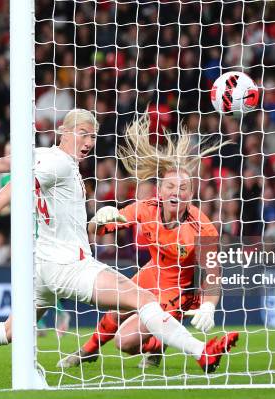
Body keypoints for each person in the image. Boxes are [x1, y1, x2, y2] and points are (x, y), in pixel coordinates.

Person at [0, 109, 237, 383]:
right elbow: (17, 184)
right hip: (70, 265)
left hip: (42, 267)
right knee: (144, 299)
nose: (89, 143)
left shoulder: (42, 156)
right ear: (63, 132)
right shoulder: (60, 164)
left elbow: (0, 163)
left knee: (11, 330)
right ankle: (199, 352)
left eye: (93, 137)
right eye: (82, 134)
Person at [58, 114, 225, 369]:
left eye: (182, 189)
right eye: (170, 186)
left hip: (177, 290)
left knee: (123, 343)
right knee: (116, 306)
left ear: (191, 194)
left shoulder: (202, 228)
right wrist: (100, 219)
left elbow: (213, 274)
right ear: (160, 190)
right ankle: (89, 350)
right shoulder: (145, 209)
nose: (175, 193)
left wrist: (209, 306)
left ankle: (157, 345)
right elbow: (95, 229)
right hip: (150, 275)